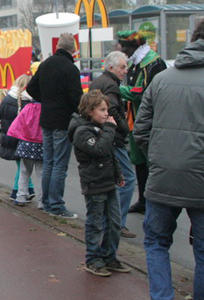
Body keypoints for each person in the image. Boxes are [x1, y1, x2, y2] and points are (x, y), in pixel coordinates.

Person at [134, 17, 204, 300]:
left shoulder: (161, 79)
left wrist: (159, 158)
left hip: (163, 179)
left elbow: (140, 132)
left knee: (156, 243)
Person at [68, 90, 130, 277]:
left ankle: (109, 256)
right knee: (96, 223)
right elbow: (100, 150)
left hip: (108, 181)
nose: (106, 113)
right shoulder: (83, 131)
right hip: (94, 183)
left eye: (107, 109)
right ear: (90, 111)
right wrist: (110, 130)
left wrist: (118, 173)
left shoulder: (99, 128)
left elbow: (111, 155)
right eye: (102, 110)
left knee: (114, 222)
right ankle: (93, 258)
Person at [27, 33, 83, 219]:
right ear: (73, 49)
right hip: (62, 120)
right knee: (60, 164)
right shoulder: (71, 69)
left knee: (48, 162)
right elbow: (76, 98)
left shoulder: (45, 64)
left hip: (46, 119)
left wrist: (47, 100)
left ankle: (46, 202)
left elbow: (30, 89)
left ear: (58, 46)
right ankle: (56, 205)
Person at [118, 30, 168, 215]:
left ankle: (154, 200)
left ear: (136, 46)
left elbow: (143, 91)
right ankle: (143, 200)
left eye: (126, 46)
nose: (123, 50)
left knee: (150, 161)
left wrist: (118, 90)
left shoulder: (153, 62)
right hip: (134, 119)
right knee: (138, 161)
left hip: (150, 121)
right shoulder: (136, 63)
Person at [89, 51, 137, 238]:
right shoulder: (111, 85)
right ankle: (117, 222)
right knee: (127, 179)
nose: (125, 71)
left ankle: (107, 221)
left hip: (102, 134)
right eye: (122, 67)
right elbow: (113, 110)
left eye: (126, 67)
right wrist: (124, 128)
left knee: (110, 180)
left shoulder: (99, 81)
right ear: (111, 68)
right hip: (113, 138)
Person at [0, 74, 35, 203]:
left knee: (21, 165)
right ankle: (16, 191)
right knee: (23, 166)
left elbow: (1, 115)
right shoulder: (29, 102)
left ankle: (29, 189)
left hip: (9, 135)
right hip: (22, 138)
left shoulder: (7, 98)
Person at [7, 98, 42, 207]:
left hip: (26, 144)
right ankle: (42, 202)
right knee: (42, 174)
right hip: (42, 144)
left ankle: (20, 197)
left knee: (24, 172)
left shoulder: (28, 107)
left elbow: (17, 124)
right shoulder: (46, 108)